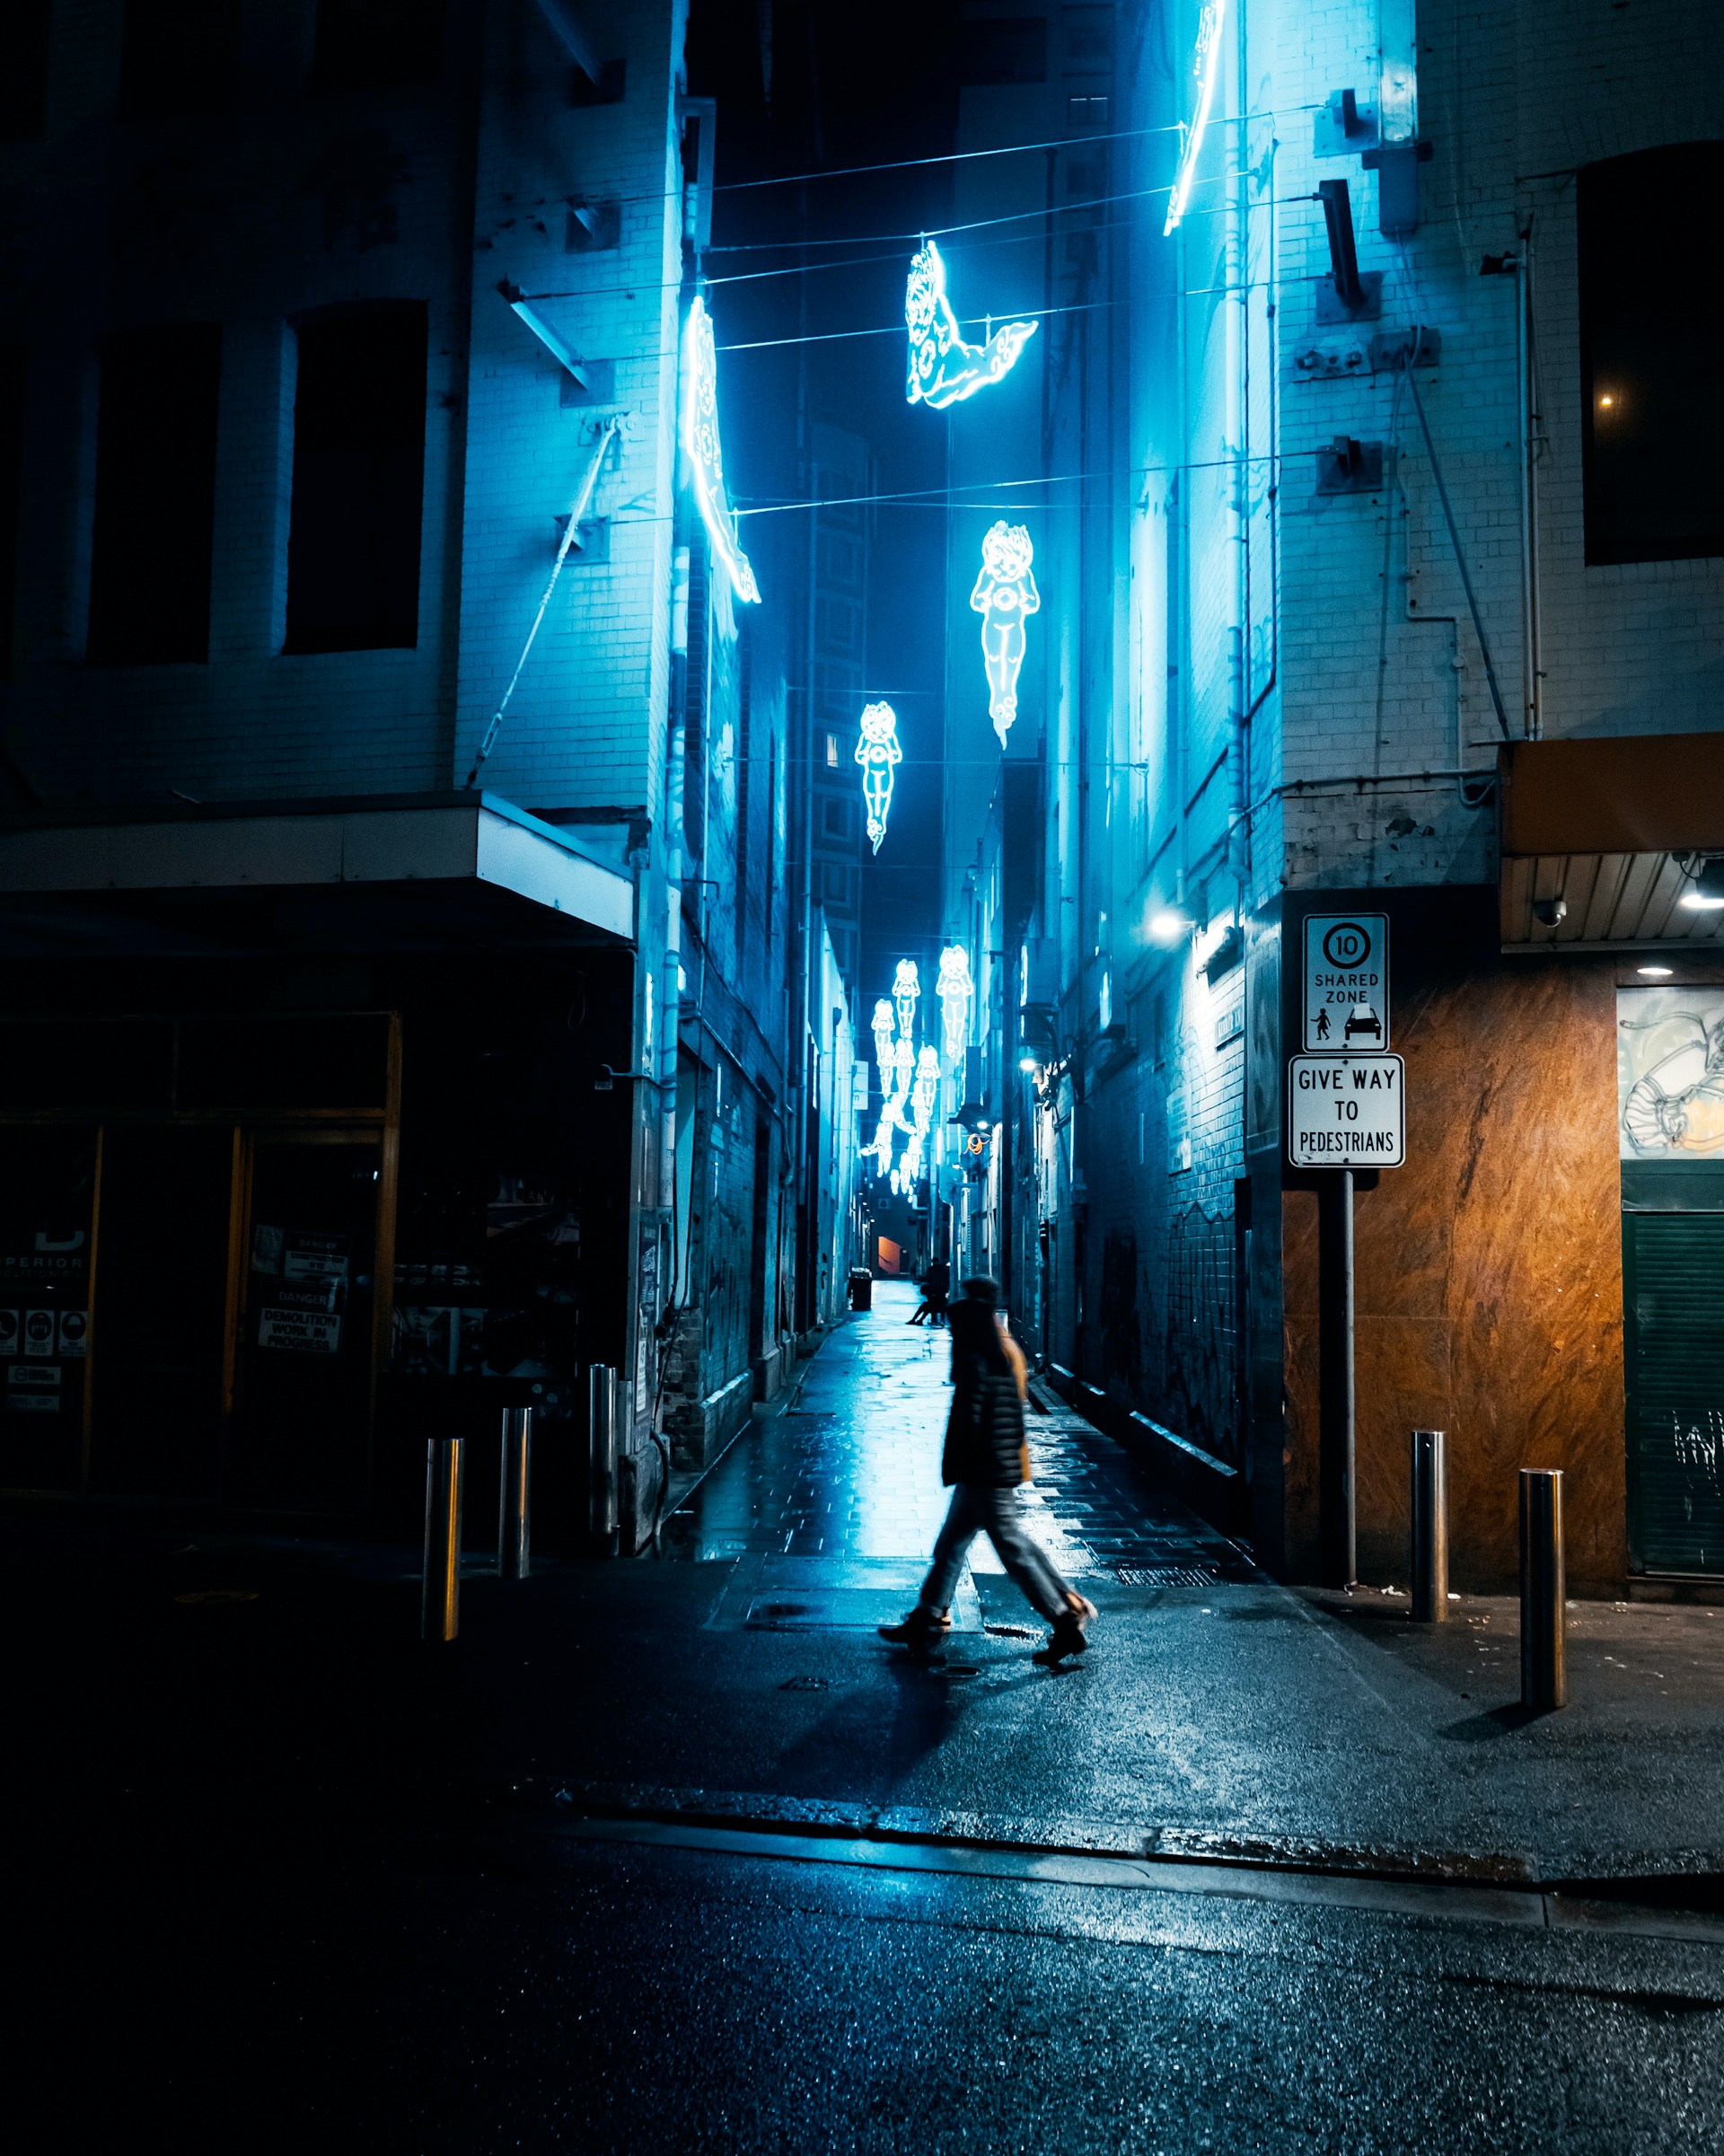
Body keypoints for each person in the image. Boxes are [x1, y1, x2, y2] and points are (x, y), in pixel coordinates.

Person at [881, 1277, 1095, 1668]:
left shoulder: (979, 1352)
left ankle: (1064, 1621)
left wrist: (962, 1462)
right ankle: (927, 1617)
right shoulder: (1005, 1347)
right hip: (992, 1466)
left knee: (1012, 1551)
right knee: (951, 1545)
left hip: (984, 1471)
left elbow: (971, 1417)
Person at [906, 1255, 950, 1327]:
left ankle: (918, 1320)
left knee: (928, 1305)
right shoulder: (944, 1270)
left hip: (934, 1291)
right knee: (930, 1305)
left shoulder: (931, 1269)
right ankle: (921, 1320)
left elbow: (928, 1279)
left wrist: (920, 1278)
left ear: (932, 1262)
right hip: (942, 1291)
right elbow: (947, 1280)